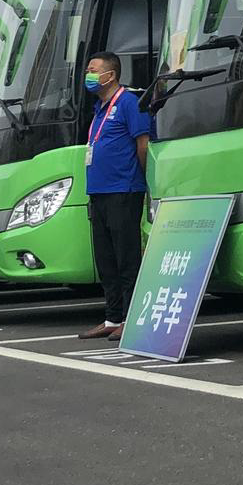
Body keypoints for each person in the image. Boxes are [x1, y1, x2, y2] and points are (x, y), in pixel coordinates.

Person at [78, 51, 152, 341]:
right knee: (106, 259)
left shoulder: (129, 103)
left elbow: (142, 144)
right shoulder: (99, 109)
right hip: (99, 192)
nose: (89, 75)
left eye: (93, 70)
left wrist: (141, 179)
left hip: (123, 190)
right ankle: (112, 317)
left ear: (110, 75)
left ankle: (131, 317)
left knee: (126, 257)